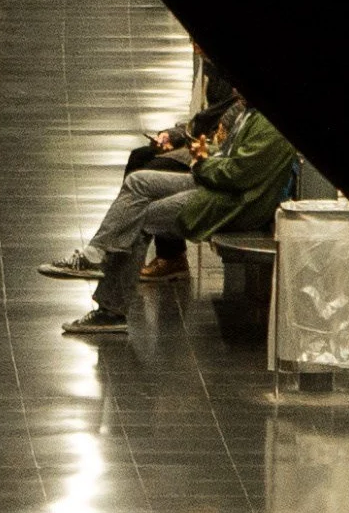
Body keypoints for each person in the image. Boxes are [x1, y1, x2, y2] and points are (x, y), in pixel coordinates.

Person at [59, 103, 298, 338]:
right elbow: (230, 156)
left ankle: (112, 311)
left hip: (234, 203)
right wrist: (207, 155)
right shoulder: (252, 113)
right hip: (219, 187)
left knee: (142, 216)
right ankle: (95, 254)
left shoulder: (269, 126)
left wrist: (203, 163)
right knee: (138, 182)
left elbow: (237, 174)